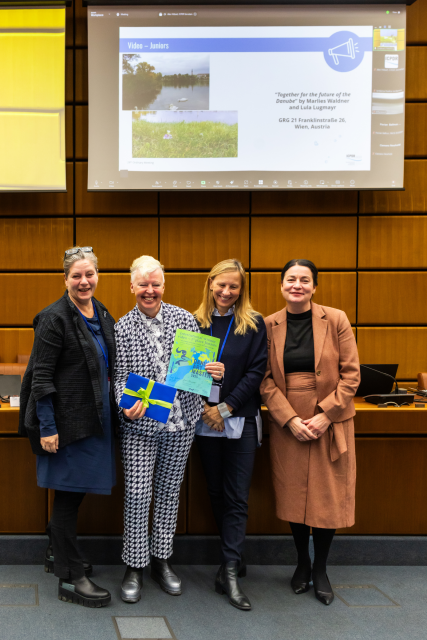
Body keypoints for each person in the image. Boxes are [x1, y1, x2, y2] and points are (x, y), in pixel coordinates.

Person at [114, 255, 222, 604]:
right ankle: (134, 566)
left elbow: (197, 370)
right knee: (138, 494)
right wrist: (123, 404)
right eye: (142, 284)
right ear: (132, 287)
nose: (150, 290)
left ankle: (161, 560)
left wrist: (211, 371)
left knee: (168, 494)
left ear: (164, 285)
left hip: (182, 423)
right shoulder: (122, 327)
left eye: (155, 284)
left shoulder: (184, 318)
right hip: (140, 426)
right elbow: (117, 379)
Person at [19, 247, 117, 608]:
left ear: (97, 275)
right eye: (76, 276)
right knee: (67, 497)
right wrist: (46, 427)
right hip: (64, 425)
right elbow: (41, 377)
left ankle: (55, 554)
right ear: (65, 280)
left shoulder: (102, 311)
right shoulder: (53, 318)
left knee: (72, 495)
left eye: (89, 274)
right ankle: (71, 576)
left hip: (94, 422)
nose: (84, 281)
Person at [260, 259, 360, 606]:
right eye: (291, 279)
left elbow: (351, 376)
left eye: (304, 280)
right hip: (289, 422)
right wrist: (289, 419)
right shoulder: (269, 325)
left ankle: (321, 568)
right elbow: (265, 380)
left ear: (314, 286)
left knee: (325, 497)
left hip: (329, 420)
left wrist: (324, 416)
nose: (297, 285)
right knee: (295, 494)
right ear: (282, 285)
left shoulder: (336, 319)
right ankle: (301, 562)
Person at [194, 259, 268, 611]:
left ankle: (231, 571)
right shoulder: (194, 323)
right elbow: (184, 374)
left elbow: (256, 374)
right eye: (221, 285)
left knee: (237, 495)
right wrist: (208, 409)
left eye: (234, 287)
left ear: (242, 289)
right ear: (210, 284)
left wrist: (224, 408)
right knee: (215, 492)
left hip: (239, 419)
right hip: (203, 420)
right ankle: (231, 558)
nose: (226, 292)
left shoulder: (253, 324)